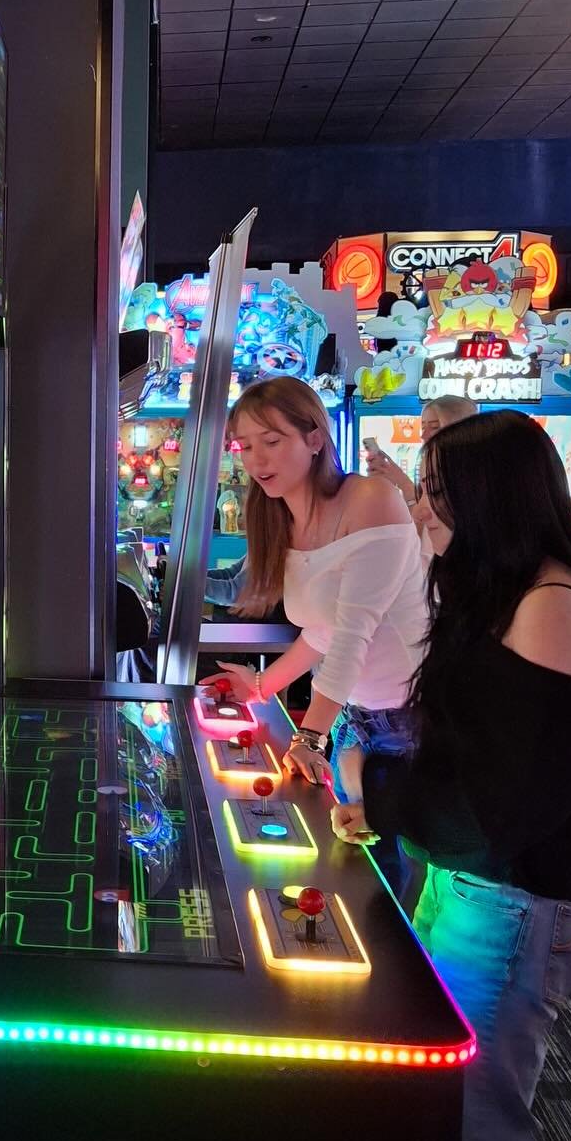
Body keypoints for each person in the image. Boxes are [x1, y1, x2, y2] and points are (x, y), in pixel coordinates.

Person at [334, 410, 571, 1141]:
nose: (422, 511)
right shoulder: (510, 593)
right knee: (462, 1125)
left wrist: (376, 785)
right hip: (488, 894)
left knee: (478, 1136)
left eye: (438, 494)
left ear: (494, 499)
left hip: (514, 908)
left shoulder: (548, 606)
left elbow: (506, 806)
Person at [207, 377, 426, 886]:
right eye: (244, 446)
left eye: (271, 440)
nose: (256, 459)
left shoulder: (371, 497)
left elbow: (352, 633)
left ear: (314, 438)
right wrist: (261, 687)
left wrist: (310, 735)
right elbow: (321, 631)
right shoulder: (280, 518)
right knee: (354, 866)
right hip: (358, 715)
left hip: (411, 722)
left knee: (390, 881)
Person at [365, 396, 478, 555]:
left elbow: (421, 540)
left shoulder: (468, 479)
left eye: (434, 427)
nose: (424, 435)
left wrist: (403, 483)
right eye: (423, 427)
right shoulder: (431, 466)